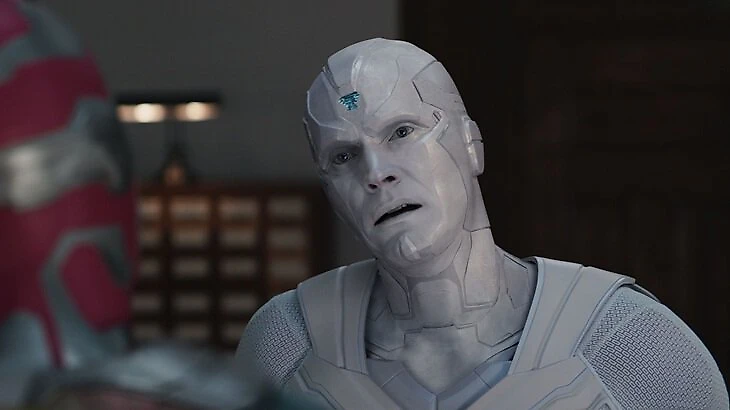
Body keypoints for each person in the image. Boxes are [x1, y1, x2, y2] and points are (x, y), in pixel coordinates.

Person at [237, 38, 729, 409]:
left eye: (402, 131)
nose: (376, 172)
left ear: (471, 144)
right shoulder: (287, 343)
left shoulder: (628, 343)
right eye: (343, 156)